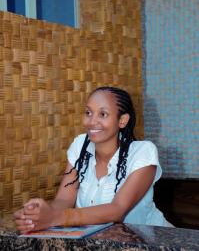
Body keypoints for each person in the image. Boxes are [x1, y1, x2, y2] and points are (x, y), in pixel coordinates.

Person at [14, 86, 172, 233]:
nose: (91, 121)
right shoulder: (80, 145)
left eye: (103, 114)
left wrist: (56, 217)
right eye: (88, 113)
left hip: (152, 240)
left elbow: (117, 210)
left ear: (122, 120)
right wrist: (37, 216)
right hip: (98, 241)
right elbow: (63, 199)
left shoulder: (142, 152)